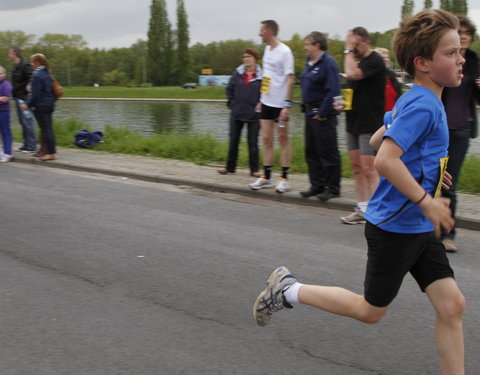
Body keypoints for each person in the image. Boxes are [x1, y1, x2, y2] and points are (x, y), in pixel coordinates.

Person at [253, 9, 465, 374]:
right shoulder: (424, 103)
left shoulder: (422, 97)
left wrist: (432, 173)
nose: (461, 58)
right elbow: (384, 159)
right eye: (451, 53)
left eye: (459, 50)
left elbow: (385, 134)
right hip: (396, 228)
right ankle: (288, 289)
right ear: (423, 63)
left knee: (452, 306)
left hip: (416, 226)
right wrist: (425, 199)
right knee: (370, 311)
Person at [441, 16, 480, 253]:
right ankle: (427, 229)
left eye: (468, 33)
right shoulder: (443, 56)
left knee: (449, 184)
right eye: (460, 31)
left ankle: (448, 234)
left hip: (461, 128)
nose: (464, 35)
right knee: (431, 180)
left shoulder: (475, 61)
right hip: (437, 127)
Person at [340, 27, 386, 224]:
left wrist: (348, 49)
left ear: (365, 42)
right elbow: (350, 82)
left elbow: (351, 73)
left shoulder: (375, 60)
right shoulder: (358, 62)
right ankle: (361, 208)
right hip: (352, 122)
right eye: (351, 45)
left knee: (369, 169)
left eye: (355, 44)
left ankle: (377, 212)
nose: (352, 49)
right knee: (357, 167)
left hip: (369, 124)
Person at [249, 20, 295, 193]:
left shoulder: (285, 51)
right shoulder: (267, 50)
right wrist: (262, 97)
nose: (259, 34)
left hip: (280, 104)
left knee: (283, 138)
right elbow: (267, 77)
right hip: (267, 101)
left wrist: (287, 105)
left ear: (269, 31)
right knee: (267, 139)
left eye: (261, 30)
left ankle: (284, 178)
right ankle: (266, 176)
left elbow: (290, 79)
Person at [298, 32, 342, 201]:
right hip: (309, 113)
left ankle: (333, 187)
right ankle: (317, 185)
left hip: (322, 114)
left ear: (317, 45)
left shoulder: (328, 63)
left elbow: (333, 91)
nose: (305, 47)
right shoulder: (309, 63)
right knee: (312, 151)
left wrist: (323, 113)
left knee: (327, 151)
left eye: (307, 44)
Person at [218, 48, 262, 177]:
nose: (246, 59)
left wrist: (261, 104)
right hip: (237, 113)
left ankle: (254, 170)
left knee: (253, 142)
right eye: (244, 57)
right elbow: (229, 89)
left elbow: (266, 92)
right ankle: (230, 167)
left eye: (249, 56)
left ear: (255, 58)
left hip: (254, 114)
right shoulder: (237, 73)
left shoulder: (263, 75)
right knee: (233, 140)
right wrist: (232, 103)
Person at [23, 54, 56, 161]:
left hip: (41, 106)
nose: (31, 64)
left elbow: (35, 94)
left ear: (37, 63)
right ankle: (49, 151)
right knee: (48, 129)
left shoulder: (37, 76)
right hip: (49, 104)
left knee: (46, 130)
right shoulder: (47, 73)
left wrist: (27, 105)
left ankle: (51, 153)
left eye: (32, 62)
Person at [8, 47, 37, 153]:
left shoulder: (25, 66)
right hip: (17, 98)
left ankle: (32, 146)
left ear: (15, 54)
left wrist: (29, 93)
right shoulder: (16, 67)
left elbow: (32, 79)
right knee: (22, 122)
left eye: (10, 53)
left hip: (24, 99)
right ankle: (26, 145)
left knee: (28, 121)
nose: (9, 55)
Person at [373, 47, 403, 112]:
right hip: (376, 118)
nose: (387, 59)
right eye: (383, 58)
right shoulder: (371, 78)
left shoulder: (392, 77)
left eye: (387, 57)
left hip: (392, 119)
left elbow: (398, 98)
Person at [0, 66, 13, 163]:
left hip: (4, 111)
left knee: (6, 131)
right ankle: (3, 150)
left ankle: (7, 153)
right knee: (1, 133)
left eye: (0, 73)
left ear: (4, 74)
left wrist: (1, 99)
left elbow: (5, 99)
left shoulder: (6, 85)